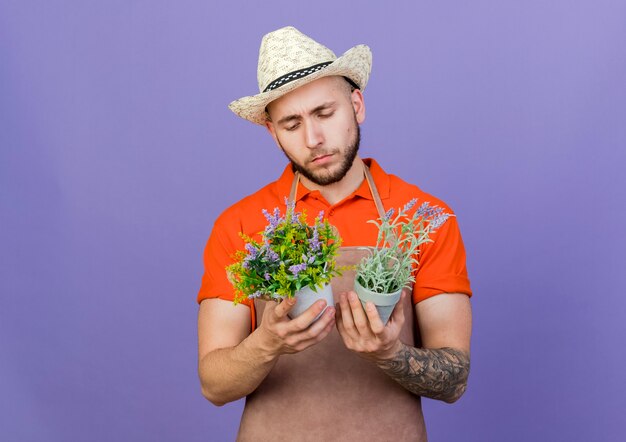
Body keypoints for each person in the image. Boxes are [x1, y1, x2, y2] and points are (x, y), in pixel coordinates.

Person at [197, 26, 472, 441]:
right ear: (273, 133)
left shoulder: (422, 219)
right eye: (292, 124)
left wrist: (389, 352)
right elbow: (214, 386)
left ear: (356, 105)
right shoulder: (240, 224)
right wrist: (267, 342)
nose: (314, 139)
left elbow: (454, 380)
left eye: (325, 113)